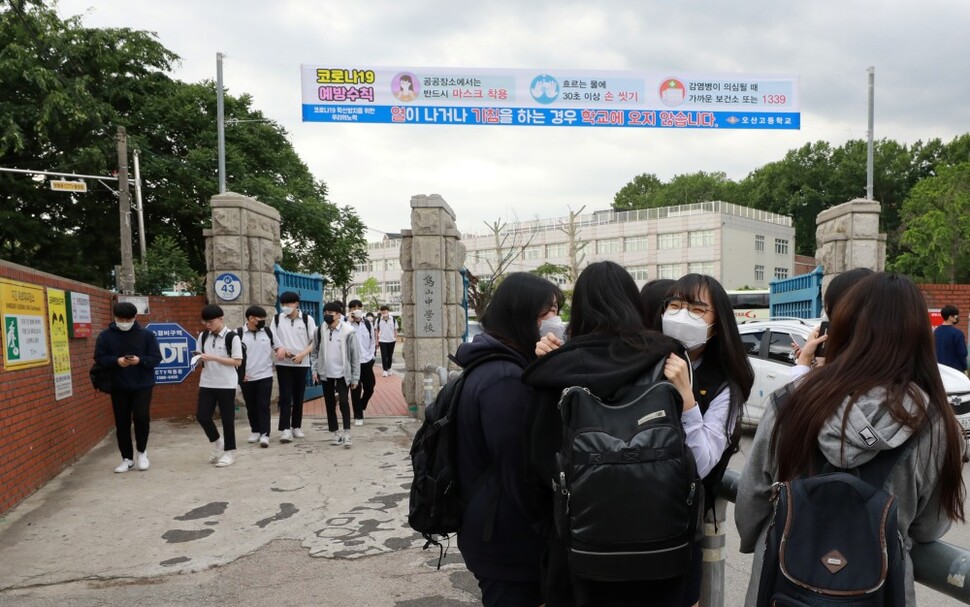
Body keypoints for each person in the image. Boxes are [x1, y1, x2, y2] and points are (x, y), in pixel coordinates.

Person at [736, 272, 967, 606]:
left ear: (843, 327)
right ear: (919, 336)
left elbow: (750, 505)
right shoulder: (935, 423)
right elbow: (929, 527)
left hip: (780, 584)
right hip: (878, 589)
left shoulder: (791, 401)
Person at [524, 261, 693, 606]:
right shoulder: (668, 355)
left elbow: (541, 458)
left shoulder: (558, 366)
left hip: (583, 547)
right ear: (632, 301)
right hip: (662, 542)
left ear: (580, 307)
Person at [454, 272, 564, 607]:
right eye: (547, 312)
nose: (555, 321)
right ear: (520, 314)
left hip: (496, 529)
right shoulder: (504, 379)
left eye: (557, 310)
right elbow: (518, 470)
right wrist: (548, 528)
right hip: (507, 539)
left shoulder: (499, 366)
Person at [93, 302, 163, 473]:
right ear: (115, 318)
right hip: (118, 385)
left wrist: (140, 360)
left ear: (134, 318)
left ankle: (142, 452)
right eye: (120, 319)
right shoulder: (105, 336)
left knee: (141, 417)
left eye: (128, 319)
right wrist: (116, 361)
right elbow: (99, 357)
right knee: (122, 422)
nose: (124, 322)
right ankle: (127, 458)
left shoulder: (146, 335)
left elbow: (156, 357)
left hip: (142, 384)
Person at [196, 304, 243, 467]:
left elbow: (237, 361)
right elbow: (201, 356)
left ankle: (230, 452)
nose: (208, 325)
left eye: (211, 322)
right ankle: (218, 442)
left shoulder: (232, 337)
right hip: (207, 382)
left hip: (226, 384)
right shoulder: (203, 336)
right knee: (202, 416)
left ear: (221, 319)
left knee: (227, 418)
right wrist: (198, 358)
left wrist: (214, 358)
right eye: (205, 322)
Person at [311, 301, 360, 448]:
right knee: (330, 404)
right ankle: (335, 433)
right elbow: (314, 353)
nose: (327, 315)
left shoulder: (348, 331)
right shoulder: (319, 330)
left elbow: (355, 356)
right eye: (325, 313)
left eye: (330, 313)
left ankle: (346, 433)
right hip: (325, 373)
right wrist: (314, 370)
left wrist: (355, 377)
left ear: (338, 315)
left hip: (342, 374)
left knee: (344, 402)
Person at [273, 291, 317, 442]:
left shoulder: (307, 319)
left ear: (296, 304)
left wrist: (302, 355)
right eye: (283, 304)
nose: (285, 307)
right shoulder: (277, 319)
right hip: (283, 363)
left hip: (301, 363)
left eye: (289, 304)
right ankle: (285, 429)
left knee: (298, 396)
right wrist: (281, 350)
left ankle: (296, 426)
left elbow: (314, 341)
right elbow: (273, 339)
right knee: (285, 396)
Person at [239, 305, 276, 448]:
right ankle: (255, 430)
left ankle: (265, 434)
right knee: (251, 405)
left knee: (263, 405)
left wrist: (280, 351)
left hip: (265, 375)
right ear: (251, 319)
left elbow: (277, 346)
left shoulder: (267, 332)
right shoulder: (238, 334)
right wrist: (240, 375)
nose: (263, 320)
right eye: (260, 318)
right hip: (247, 377)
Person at [348, 300, 376, 425]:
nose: (356, 309)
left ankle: (361, 405)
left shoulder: (368, 324)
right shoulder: (345, 324)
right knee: (355, 388)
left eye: (359, 307)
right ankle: (358, 416)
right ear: (349, 310)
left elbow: (372, 341)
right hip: (352, 362)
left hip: (366, 361)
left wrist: (371, 357)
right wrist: (349, 321)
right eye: (353, 307)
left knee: (370, 387)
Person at [935, 305, 968, 373]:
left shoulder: (936, 332)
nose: (958, 317)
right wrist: (965, 367)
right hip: (955, 371)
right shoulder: (957, 333)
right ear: (950, 317)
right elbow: (962, 353)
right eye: (956, 315)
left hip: (939, 370)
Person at [375, 305, 397, 377]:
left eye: (385, 311)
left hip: (391, 340)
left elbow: (395, 329)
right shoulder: (378, 320)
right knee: (384, 356)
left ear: (388, 311)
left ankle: (389, 368)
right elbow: (376, 330)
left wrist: (395, 338)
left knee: (390, 356)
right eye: (382, 312)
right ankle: (384, 370)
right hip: (382, 340)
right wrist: (377, 341)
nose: (384, 313)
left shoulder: (393, 319)